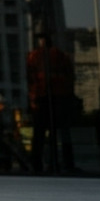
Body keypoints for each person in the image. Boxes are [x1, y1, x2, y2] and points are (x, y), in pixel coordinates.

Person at [26, 30, 76, 174]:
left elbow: (31, 80)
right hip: (58, 99)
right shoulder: (60, 56)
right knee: (58, 133)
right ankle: (64, 163)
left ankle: (38, 165)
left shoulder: (34, 56)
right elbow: (69, 78)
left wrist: (33, 100)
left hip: (44, 99)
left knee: (40, 135)